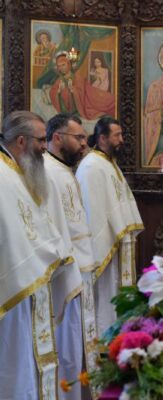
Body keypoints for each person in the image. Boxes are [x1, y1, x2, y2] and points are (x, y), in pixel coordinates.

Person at [0, 111, 74, 399]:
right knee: (14, 362)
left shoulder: (17, 171)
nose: (45, 147)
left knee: (25, 363)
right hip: (14, 288)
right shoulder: (4, 176)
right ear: (21, 141)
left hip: (28, 283)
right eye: (41, 140)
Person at [45, 113, 99, 399]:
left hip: (79, 272)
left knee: (74, 347)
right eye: (78, 137)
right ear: (57, 138)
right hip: (63, 275)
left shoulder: (65, 170)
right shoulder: (45, 171)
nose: (84, 144)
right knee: (64, 346)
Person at [76, 117, 144, 335]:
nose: (122, 140)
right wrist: (108, 234)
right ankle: (105, 336)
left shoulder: (107, 163)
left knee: (114, 291)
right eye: (117, 135)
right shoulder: (91, 166)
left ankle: (118, 334)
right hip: (105, 242)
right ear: (102, 138)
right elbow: (93, 210)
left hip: (116, 240)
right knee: (105, 294)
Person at [48, 52, 116, 120]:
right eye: (59, 66)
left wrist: (73, 90)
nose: (61, 68)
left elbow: (83, 91)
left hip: (87, 99)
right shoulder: (59, 80)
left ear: (69, 64)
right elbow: (52, 92)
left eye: (63, 65)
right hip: (68, 110)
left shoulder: (77, 77)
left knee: (107, 101)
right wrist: (59, 91)